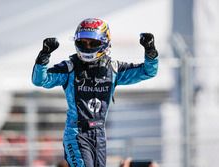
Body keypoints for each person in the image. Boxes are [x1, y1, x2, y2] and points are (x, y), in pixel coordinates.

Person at [32, 18, 158, 167]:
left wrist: (150, 52)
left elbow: (148, 71)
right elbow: (40, 80)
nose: (87, 46)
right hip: (76, 133)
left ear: (105, 42)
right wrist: (43, 56)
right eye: (83, 42)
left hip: (99, 134)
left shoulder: (114, 69)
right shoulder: (69, 68)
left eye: (93, 43)